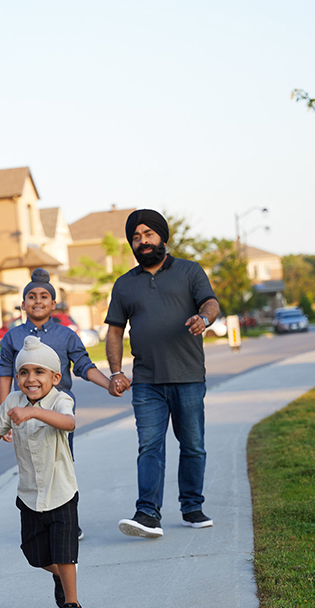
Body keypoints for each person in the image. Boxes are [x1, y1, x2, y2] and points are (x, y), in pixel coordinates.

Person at [104, 209, 221, 539]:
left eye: (148, 234)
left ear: (162, 237)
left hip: (188, 376)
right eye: (136, 237)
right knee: (149, 447)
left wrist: (204, 319)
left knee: (193, 445)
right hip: (146, 382)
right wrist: (116, 372)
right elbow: (114, 331)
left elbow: (210, 303)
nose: (142, 241)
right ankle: (147, 514)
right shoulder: (125, 284)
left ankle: (192, 507)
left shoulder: (189, 271)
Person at [0, 335, 87, 608]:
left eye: (39, 372)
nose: (31, 379)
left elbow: (68, 424)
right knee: (35, 556)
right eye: (24, 372)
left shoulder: (60, 400)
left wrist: (33, 412)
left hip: (61, 492)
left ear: (55, 377)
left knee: (64, 553)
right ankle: (59, 575)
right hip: (29, 495)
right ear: (16, 377)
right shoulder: (12, 402)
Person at [0, 268, 112, 458]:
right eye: (32, 297)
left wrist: (109, 384)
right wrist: (4, 417)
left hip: (59, 407)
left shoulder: (66, 335)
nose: (38, 301)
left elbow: (84, 366)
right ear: (23, 304)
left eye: (44, 296)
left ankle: (67, 489)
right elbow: (5, 376)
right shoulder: (12, 337)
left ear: (53, 304)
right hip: (25, 407)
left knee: (62, 460)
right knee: (30, 461)